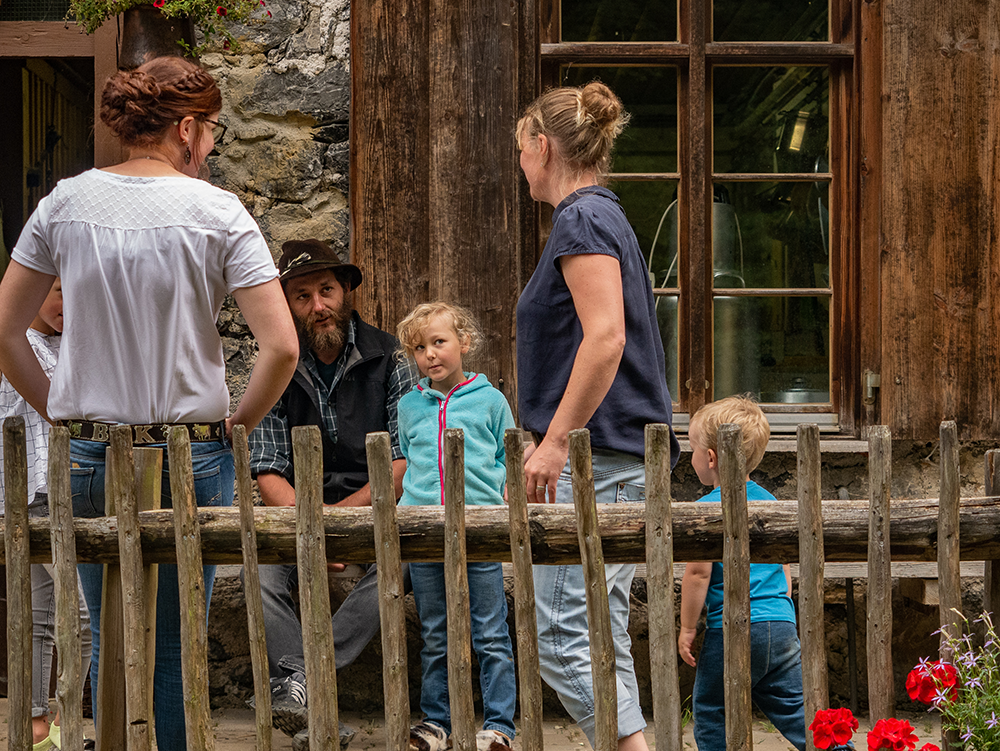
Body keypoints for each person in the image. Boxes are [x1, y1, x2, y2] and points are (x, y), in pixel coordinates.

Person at [0, 57, 299, 751]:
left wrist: (54, 409)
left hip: (89, 450)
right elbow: (280, 346)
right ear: (188, 128)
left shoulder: (64, 203)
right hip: (189, 450)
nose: (215, 144)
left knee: (106, 627)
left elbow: (6, 329)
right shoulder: (218, 211)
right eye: (215, 130)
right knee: (171, 638)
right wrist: (241, 421)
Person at [515, 80, 680, 751]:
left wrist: (556, 441)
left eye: (521, 147)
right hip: (615, 455)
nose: (520, 162)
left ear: (542, 145)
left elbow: (606, 336)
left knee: (560, 633)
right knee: (596, 629)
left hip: (600, 459)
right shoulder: (600, 214)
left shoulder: (581, 218)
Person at [248, 238, 418, 749]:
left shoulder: (393, 358)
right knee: (259, 568)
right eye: (302, 296)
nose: (317, 306)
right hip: (296, 512)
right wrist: (312, 526)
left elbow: (405, 461)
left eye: (326, 290)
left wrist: (335, 523)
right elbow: (267, 470)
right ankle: (303, 691)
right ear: (288, 306)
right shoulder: (276, 364)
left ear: (346, 292)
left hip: (375, 508)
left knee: (408, 559)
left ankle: (302, 677)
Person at [395, 302, 517, 751]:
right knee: (434, 632)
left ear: (464, 343)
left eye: (439, 342)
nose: (429, 354)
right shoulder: (409, 406)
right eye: (420, 348)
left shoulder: (490, 400)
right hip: (425, 529)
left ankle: (500, 725)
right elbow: (409, 455)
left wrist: (500, 492)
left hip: (478, 528)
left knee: (490, 631)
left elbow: (507, 455)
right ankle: (436, 722)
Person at [678, 396, 806, 751]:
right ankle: (836, 746)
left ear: (711, 458)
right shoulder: (770, 503)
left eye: (692, 449)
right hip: (780, 624)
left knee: (712, 708)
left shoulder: (705, 509)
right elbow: (784, 567)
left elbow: (698, 575)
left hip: (730, 629)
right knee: (795, 707)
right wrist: (781, 611)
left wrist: (688, 627)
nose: (690, 459)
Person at [0, 280, 93, 751]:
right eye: (57, 290)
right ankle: (52, 720)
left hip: (63, 492)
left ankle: (46, 723)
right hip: (36, 490)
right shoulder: (15, 345)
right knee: (75, 615)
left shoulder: (66, 346)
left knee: (52, 614)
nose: (66, 303)